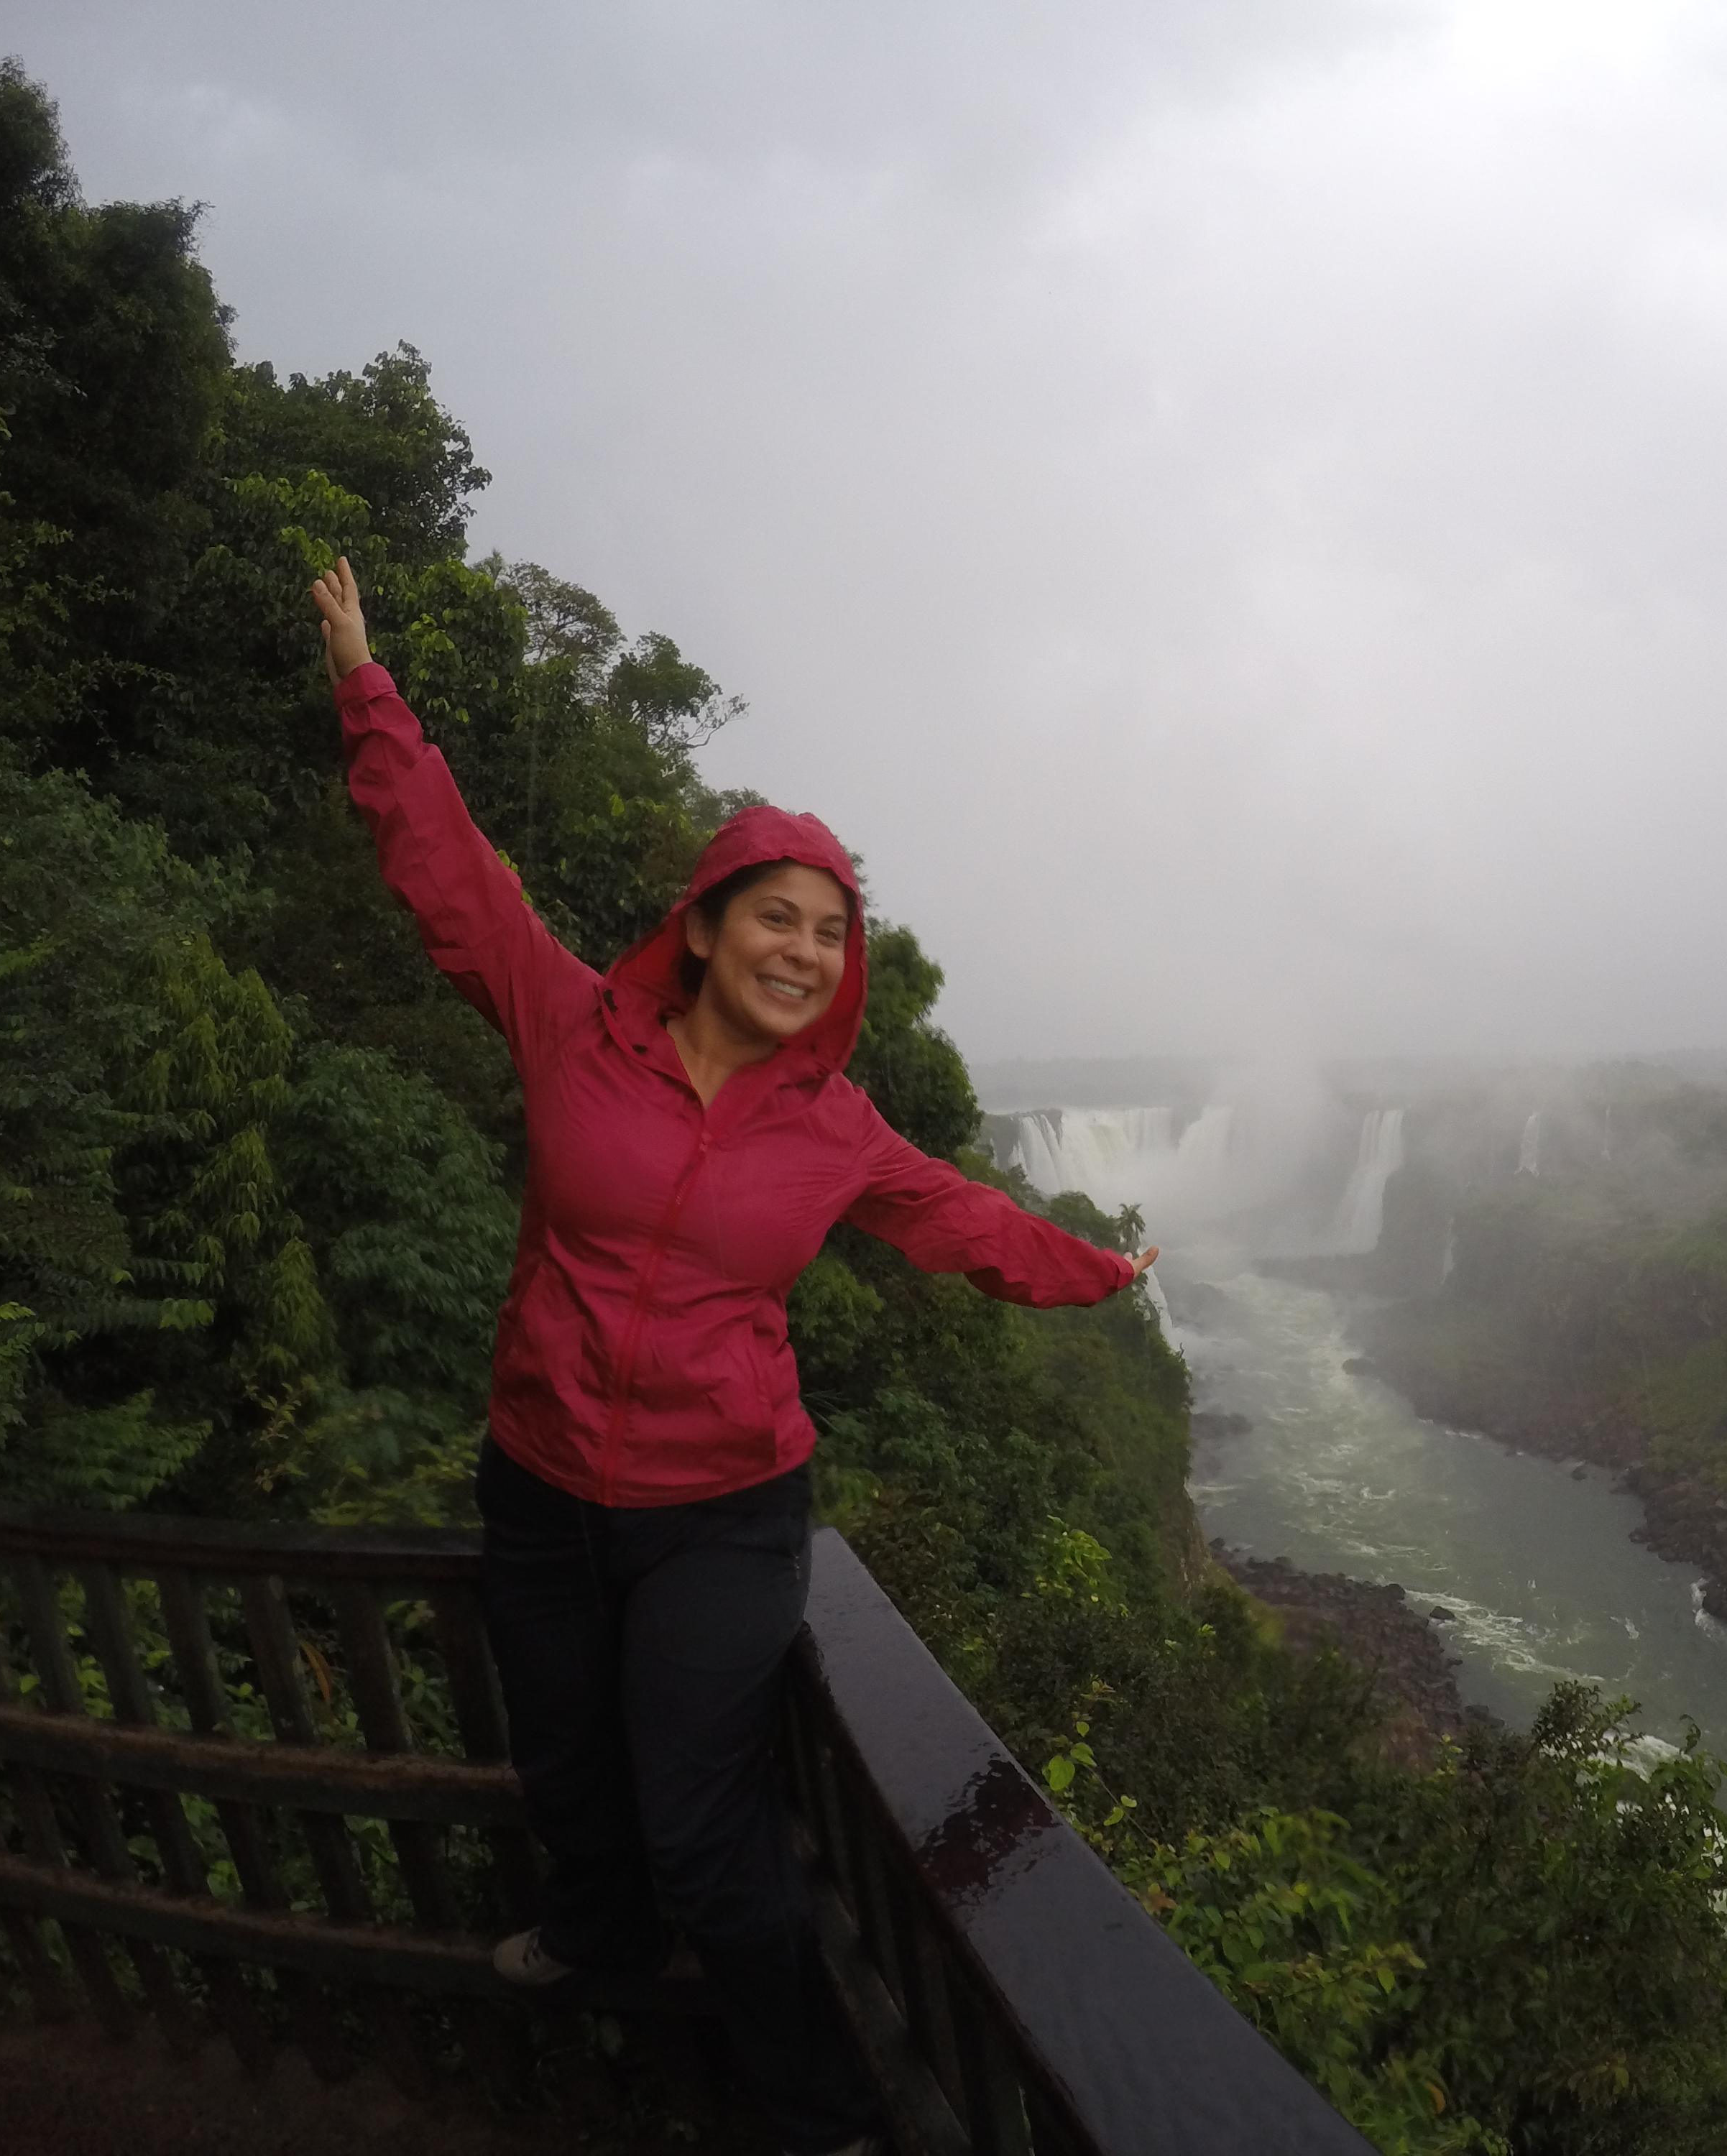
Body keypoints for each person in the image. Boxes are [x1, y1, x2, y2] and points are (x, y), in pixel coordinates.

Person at [309, 559, 1155, 2156]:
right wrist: (366, 682)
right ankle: (598, 1940)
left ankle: (820, 2114)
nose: (805, 951)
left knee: (702, 1828)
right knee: (567, 1765)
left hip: (722, 1508)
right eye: (777, 917)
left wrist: (1097, 1272)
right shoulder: (570, 1025)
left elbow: (965, 1219)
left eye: (832, 934)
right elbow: (449, 871)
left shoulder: (836, 1129)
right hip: (542, 1480)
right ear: (700, 928)